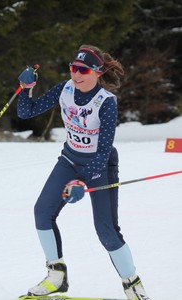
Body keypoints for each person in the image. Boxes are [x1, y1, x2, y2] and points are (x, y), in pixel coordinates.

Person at [17, 45, 151, 300]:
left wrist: (82, 180)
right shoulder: (65, 88)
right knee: (42, 212)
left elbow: (103, 152)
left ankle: (133, 287)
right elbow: (26, 112)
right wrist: (26, 89)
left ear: (97, 72)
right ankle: (56, 276)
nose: (76, 75)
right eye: (73, 68)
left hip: (101, 166)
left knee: (106, 230)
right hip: (69, 160)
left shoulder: (106, 102)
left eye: (83, 70)